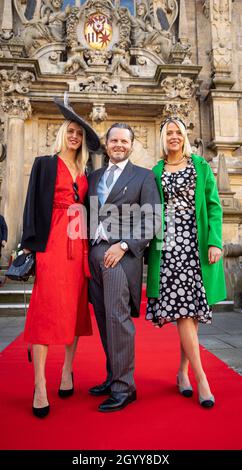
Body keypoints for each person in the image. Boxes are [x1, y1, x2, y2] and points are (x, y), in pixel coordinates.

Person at [21, 96, 100, 418]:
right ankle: (40, 383)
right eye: (70, 131)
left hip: (78, 242)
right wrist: (30, 244)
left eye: (79, 134)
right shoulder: (45, 163)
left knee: (74, 310)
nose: (74, 137)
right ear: (61, 133)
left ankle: (67, 371)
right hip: (52, 242)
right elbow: (30, 205)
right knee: (45, 309)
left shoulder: (85, 172)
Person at [146, 117, 226, 408]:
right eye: (168, 132)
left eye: (178, 132)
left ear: (184, 136)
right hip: (168, 247)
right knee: (183, 312)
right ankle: (201, 378)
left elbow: (214, 205)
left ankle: (182, 372)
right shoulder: (155, 171)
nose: (174, 136)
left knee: (190, 314)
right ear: (163, 138)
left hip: (196, 243)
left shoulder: (200, 166)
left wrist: (215, 240)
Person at [88, 123, 161, 412]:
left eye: (124, 141)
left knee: (118, 320)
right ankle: (112, 375)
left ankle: (125, 387)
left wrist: (124, 246)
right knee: (105, 320)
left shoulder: (143, 177)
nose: (119, 145)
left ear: (131, 145)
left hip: (121, 255)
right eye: (114, 140)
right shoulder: (93, 177)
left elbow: (152, 218)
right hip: (93, 254)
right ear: (106, 144)